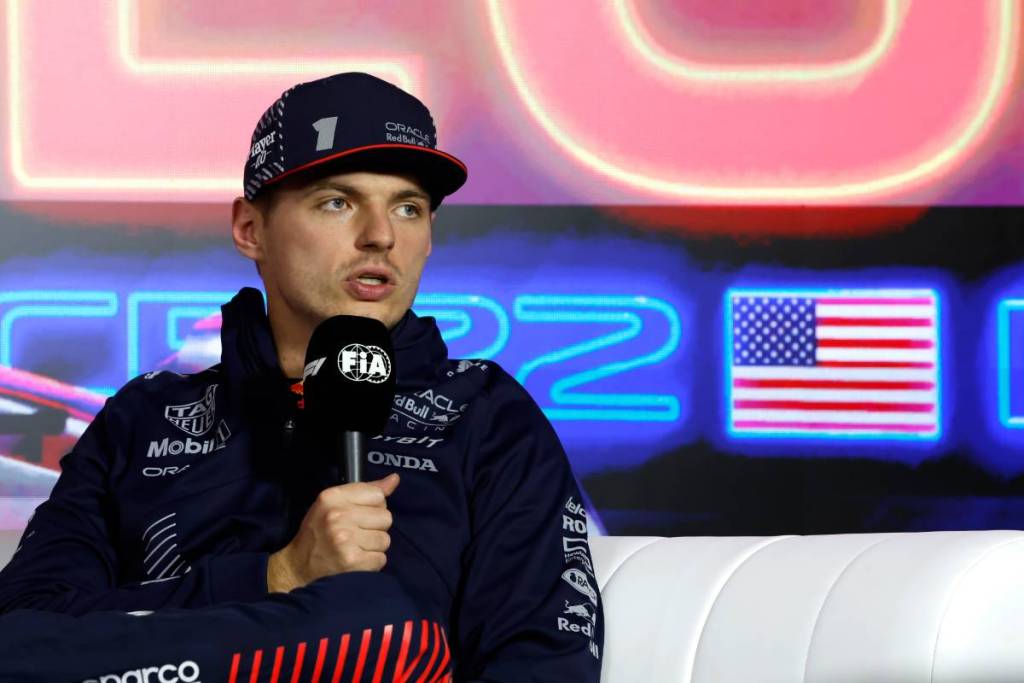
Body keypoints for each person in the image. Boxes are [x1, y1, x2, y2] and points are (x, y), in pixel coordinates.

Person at [0, 72, 603, 682]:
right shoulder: (144, 416)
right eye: (337, 202)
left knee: (377, 625)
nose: (381, 236)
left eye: (408, 207)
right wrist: (276, 576)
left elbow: (546, 663)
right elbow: (21, 627)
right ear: (250, 229)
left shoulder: (483, 412)